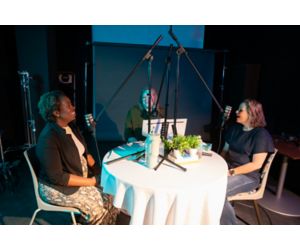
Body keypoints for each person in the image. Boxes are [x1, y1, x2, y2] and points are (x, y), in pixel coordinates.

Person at [35, 90, 118, 225]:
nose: (73, 107)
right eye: (68, 105)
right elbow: (57, 177)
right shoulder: (48, 138)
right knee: (97, 209)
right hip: (55, 188)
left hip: (77, 176)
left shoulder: (70, 127)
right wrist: (92, 181)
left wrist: (99, 172)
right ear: (56, 113)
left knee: (111, 196)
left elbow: (85, 153)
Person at [220, 98, 274, 225]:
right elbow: (224, 152)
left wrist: (232, 172)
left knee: (217, 190)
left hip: (247, 176)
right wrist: (218, 166)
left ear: (252, 113)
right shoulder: (234, 128)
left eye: (240, 110)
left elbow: (256, 164)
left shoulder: (261, 134)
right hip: (229, 169)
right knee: (208, 183)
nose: (236, 112)